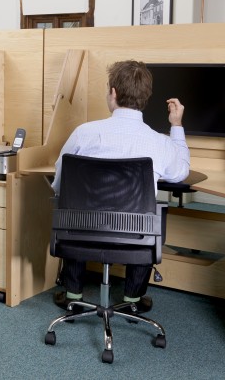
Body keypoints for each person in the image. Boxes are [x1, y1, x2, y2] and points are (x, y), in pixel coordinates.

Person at [50, 59, 190, 313]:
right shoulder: (159, 142)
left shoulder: (84, 133)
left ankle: (73, 294)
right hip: (136, 239)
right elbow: (181, 172)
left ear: (113, 93)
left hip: (80, 234)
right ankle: (133, 300)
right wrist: (176, 126)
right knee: (149, 212)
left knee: (70, 205)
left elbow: (59, 184)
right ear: (146, 97)